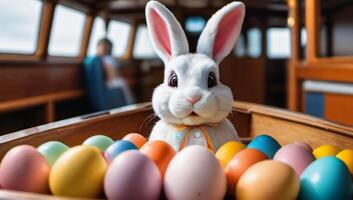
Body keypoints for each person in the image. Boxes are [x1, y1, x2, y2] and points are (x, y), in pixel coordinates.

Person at [96, 38, 134, 104]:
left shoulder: (105, 59)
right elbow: (112, 75)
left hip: (109, 82)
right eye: (104, 47)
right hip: (109, 82)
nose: (107, 49)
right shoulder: (107, 59)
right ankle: (130, 104)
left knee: (122, 82)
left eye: (108, 47)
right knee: (122, 83)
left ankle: (130, 104)